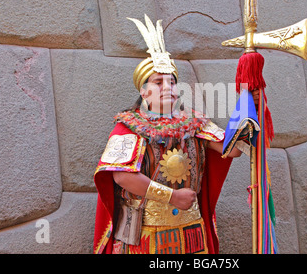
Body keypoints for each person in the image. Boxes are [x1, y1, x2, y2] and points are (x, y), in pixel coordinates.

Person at [93, 15, 257, 254]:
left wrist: (248, 105)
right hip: (144, 232)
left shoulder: (195, 123)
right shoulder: (129, 127)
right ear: (144, 91)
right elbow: (122, 177)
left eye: (171, 82)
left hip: (191, 229)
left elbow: (232, 150)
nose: (167, 87)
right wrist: (172, 197)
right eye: (158, 82)